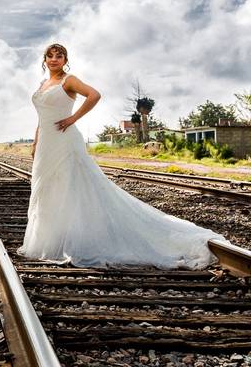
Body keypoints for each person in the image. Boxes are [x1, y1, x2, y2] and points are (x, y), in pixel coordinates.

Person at [17, 43, 229, 269]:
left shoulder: (68, 80)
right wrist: (36, 141)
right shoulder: (43, 84)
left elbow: (94, 95)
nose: (54, 59)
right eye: (50, 56)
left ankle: (75, 240)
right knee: (47, 188)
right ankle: (52, 240)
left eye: (59, 56)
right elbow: (42, 118)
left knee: (70, 187)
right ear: (44, 60)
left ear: (65, 60)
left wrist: (73, 119)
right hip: (46, 143)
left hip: (65, 141)